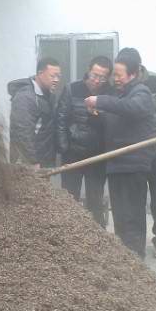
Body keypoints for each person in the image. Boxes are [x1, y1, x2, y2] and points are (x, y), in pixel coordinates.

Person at [84, 53, 156, 258]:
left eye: (119, 74)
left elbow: (131, 109)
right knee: (120, 215)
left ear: (133, 74)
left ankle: (135, 256)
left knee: (132, 215)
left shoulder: (141, 93)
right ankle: (124, 257)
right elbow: (113, 119)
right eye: (114, 74)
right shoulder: (122, 95)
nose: (114, 78)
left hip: (132, 164)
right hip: (116, 163)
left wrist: (100, 100)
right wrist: (95, 117)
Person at [117, 48, 156, 259]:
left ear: (136, 68)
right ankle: (134, 242)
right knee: (135, 198)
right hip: (133, 152)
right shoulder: (121, 85)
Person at [56, 56, 112, 227]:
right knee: (69, 197)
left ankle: (97, 235)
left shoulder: (109, 92)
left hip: (97, 155)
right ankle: (70, 232)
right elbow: (61, 119)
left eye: (102, 77)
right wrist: (64, 147)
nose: (97, 80)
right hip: (73, 152)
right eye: (95, 75)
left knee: (95, 199)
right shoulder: (72, 89)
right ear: (88, 70)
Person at [8, 57, 61, 168]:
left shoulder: (49, 95)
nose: (56, 80)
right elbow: (21, 132)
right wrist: (31, 161)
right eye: (53, 76)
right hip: (28, 163)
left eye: (58, 76)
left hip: (43, 160)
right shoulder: (26, 97)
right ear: (40, 73)